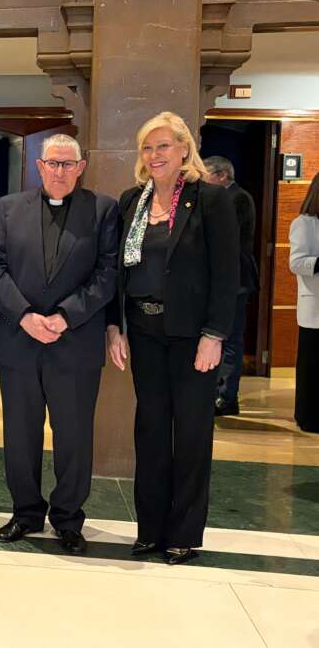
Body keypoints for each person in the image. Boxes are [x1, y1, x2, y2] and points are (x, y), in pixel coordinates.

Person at [106, 112, 238, 565]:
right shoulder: (132, 202)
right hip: (144, 332)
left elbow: (227, 275)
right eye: (148, 147)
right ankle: (150, 530)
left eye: (164, 146)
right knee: (152, 431)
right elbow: (116, 272)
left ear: (185, 149)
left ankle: (183, 533)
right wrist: (114, 325)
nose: (155, 155)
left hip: (192, 336)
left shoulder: (211, 200)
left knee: (192, 434)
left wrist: (214, 335)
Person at [0, 134, 118, 555]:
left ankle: (68, 518)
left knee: (73, 437)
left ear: (81, 167)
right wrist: (24, 315)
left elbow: (108, 271)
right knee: (19, 436)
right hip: (18, 340)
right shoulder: (9, 208)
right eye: (52, 164)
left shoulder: (103, 209)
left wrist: (65, 316)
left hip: (74, 342)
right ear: (38, 168)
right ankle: (25, 512)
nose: (59, 171)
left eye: (67, 164)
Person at [203, 156, 258, 416]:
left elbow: (227, 241)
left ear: (222, 175)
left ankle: (227, 396)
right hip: (228, 278)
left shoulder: (237, 198)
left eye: (206, 174)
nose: (203, 180)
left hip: (236, 278)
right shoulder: (226, 196)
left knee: (230, 338)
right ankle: (218, 392)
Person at [289, 171, 319, 434]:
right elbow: (296, 262)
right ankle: (308, 416)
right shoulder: (304, 223)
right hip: (315, 307)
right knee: (311, 366)